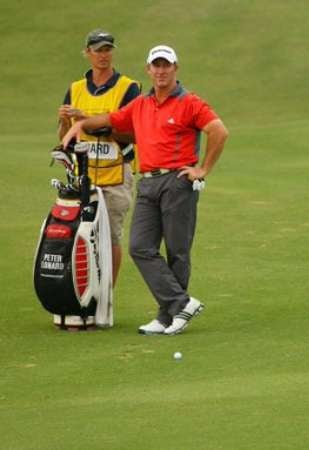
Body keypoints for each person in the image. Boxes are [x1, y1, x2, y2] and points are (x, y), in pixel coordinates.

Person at [62, 44, 229, 336]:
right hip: (148, 182)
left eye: (167, 65)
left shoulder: (190, 102)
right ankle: (181, 304)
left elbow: (219, 130)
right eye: (157, 66)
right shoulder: (141, 104)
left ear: (175, 68)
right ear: (148, 70)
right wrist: (82, 123)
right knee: (140, 247)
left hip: (178, 182)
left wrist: (202, 169)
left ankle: (168, 316)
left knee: (177, 251)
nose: (161, 71)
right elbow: (111, 120)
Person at [58, 29, 141, 286]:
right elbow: (66, 138)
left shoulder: (129, 88)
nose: (103, 55)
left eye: (107, 49)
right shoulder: (75, 88)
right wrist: (65, 122)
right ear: (87, 53)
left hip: (116, 172)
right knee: (82, 235)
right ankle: (84, 290)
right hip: (83, 175)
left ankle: (106, 296)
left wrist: (90, 122)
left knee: (111, 236)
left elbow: (134, 134)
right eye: (98, 50)